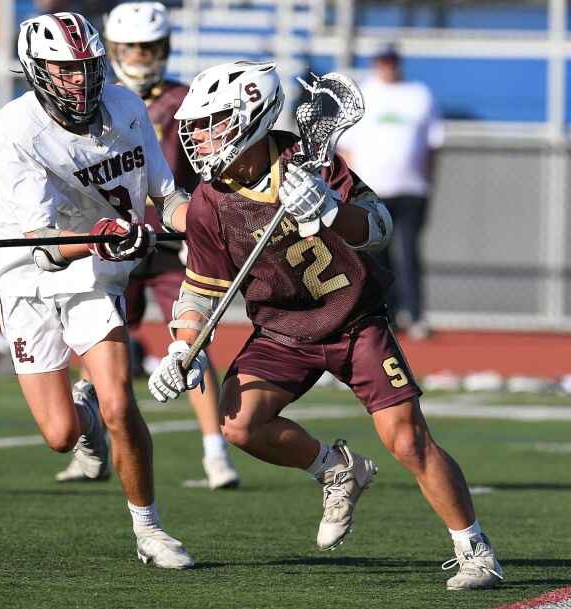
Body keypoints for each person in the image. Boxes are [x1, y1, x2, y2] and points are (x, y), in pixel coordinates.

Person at [147, 60, 504, 590]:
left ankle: (475, 550)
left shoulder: (306, 159)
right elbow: (202, 289)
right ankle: (336, 469)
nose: (198, 137)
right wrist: (183, 348)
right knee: (239, 424)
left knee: (406, 440)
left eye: (211, 123)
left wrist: (332, 210)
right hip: (282, 331)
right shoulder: (207, 203)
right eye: (195, 127)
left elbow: (378, 226)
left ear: (251, 117)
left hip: (353, 321)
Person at [0, 11, 194, 569]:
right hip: (28, 275)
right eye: (65, 69)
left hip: (94, 276)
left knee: (120, 403)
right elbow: (46, 247)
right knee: (59, 435)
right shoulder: (15, 129)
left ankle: (149, 529)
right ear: (37, 70)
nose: (80, 80)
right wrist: (104, 235)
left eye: (87, 67)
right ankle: (85, 420)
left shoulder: (126, 107)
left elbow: (168, 199)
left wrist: (205, 225)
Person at [55, 1, 240, 490]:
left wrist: (200, 227)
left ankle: (215, 452)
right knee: (96, 345)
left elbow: (207, 169)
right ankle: (89, 443)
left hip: (170, 241)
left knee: (190, 344)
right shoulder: (93, 103)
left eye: (149, 46)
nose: (139, 55)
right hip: (112, 239)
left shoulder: (186, 99)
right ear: (113, 49)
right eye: (131, 46)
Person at [337, 43, 444, 340]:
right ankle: (388, 315)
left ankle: (416, 314)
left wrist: (428, 182)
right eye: (383, 60)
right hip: (372, 191)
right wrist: (350, 189)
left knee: (409, 252)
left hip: (411, 189)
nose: (387, 66)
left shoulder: (418, 94)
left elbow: (434, 144)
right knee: (377, 257)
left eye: (391, 60)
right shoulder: (363, 94)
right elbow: (347, 148)